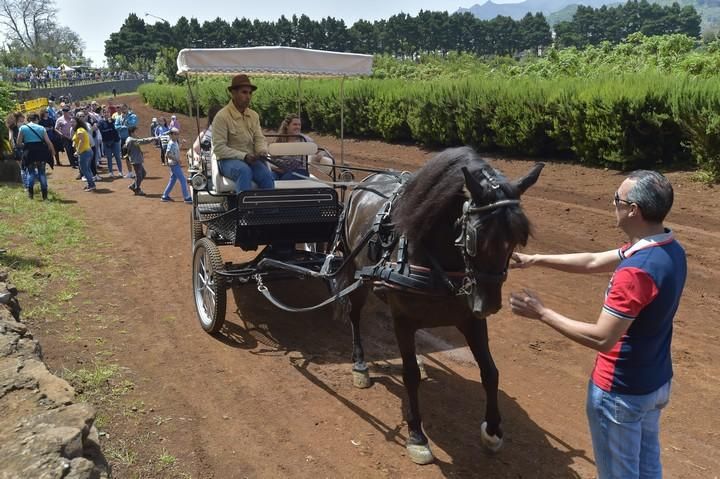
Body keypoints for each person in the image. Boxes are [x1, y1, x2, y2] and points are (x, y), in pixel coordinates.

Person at [509, 170, 686, 479]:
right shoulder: (669, 248)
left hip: (620, 393)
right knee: (647, 470)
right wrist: (536, 259)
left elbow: (603, 338)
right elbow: (593, 261)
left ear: (634, 210)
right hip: (655, 385)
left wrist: (542, 313)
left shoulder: (635, 271)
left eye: (617, 199)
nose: (612, 204)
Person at [212, 74, 274, 191]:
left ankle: (267, 208)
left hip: (250, 159)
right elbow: (219, 148)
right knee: (243, 171)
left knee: (267, 176)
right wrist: (244, 156)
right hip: (226, 161)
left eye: (250, 93)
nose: (248, 96)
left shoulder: (254, 115)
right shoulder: (222, 116)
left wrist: (261, 151)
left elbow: (259, 138)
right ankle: (244, 209)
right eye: (244, 92)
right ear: (233, 93)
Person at [271, 113, 326, 180]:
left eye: (299, 125)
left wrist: (321, 154)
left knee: (286, 179)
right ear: (287, 126)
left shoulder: (304, 139)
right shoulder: (278, 140)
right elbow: (272, 159)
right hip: (278, 170)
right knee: (269, 178)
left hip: (299, 171)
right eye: (295, 124)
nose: (298, 127)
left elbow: (320, 150)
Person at [17, 112, 56, 200]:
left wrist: (26, 144)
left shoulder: (23, 128)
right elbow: (48, 142)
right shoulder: (41, 128)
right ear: (37, 119)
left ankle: (31, 195)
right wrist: (53, 152)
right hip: (40, 152)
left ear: (29, 119)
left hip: (29, 153)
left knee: (31, 173)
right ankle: (45, 196)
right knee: (42, 173)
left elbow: (18, 143)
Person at [160, 127, 192, 203]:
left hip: (174, 163)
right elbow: (167, 154)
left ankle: (165, 196)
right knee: (183, 180)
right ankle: (186, 197)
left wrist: (182, 144)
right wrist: (177, 160)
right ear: (172, 135)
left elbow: (177, 149)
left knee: (173, 180)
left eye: (178, 134)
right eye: (176, 134)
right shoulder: (171, 143)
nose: (178, 135)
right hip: (174, 164)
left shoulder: (175, 142)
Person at [125, 126, 155, 196]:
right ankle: (137, 189)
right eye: (136, 131)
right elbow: (143, 141)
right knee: (139, 175)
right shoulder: (132, 140)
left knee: (143, 174)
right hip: (135, 160)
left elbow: (141, 140)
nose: (137, 133)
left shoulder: (132, 139)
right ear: (132, 133)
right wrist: (153, 138)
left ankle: (133, 186)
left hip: (137, 159)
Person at [72, 115, 96, 192]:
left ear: (77, 123)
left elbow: (81, 141)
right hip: (87, 152)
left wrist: (77, 151)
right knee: (87, 169)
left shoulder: (79, 130)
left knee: (84, 170)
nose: (71, 123)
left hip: (84, 152)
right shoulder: (80, 130)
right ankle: (90, 184)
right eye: (71, 122)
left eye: (73, 122)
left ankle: (92, 185)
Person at [98, 109, 123, 177]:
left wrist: (110, 123)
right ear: (103, 114)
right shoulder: (100, 122)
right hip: (106, 142)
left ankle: (120, 172)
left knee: (117, 156)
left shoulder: (113, 121)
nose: (106, 114)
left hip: (115, 141)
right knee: (109, 158)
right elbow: (101, 133)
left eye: (107, 112)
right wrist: (105, 142)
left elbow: (116, 131)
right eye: (104, 112)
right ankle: (111, 172)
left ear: (110, 113)